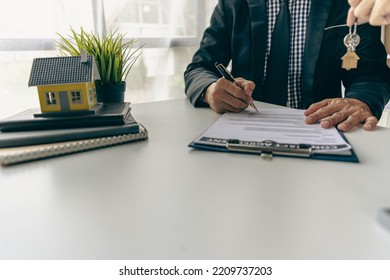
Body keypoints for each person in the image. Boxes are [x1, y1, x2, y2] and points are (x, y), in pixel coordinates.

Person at [184, 0, 390, 132]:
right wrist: (210, 90)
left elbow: (371, 74)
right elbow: (200, 67)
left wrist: (360, 100)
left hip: (323, 128)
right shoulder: (233, 4)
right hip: (247, 128)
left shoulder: (351, 4)